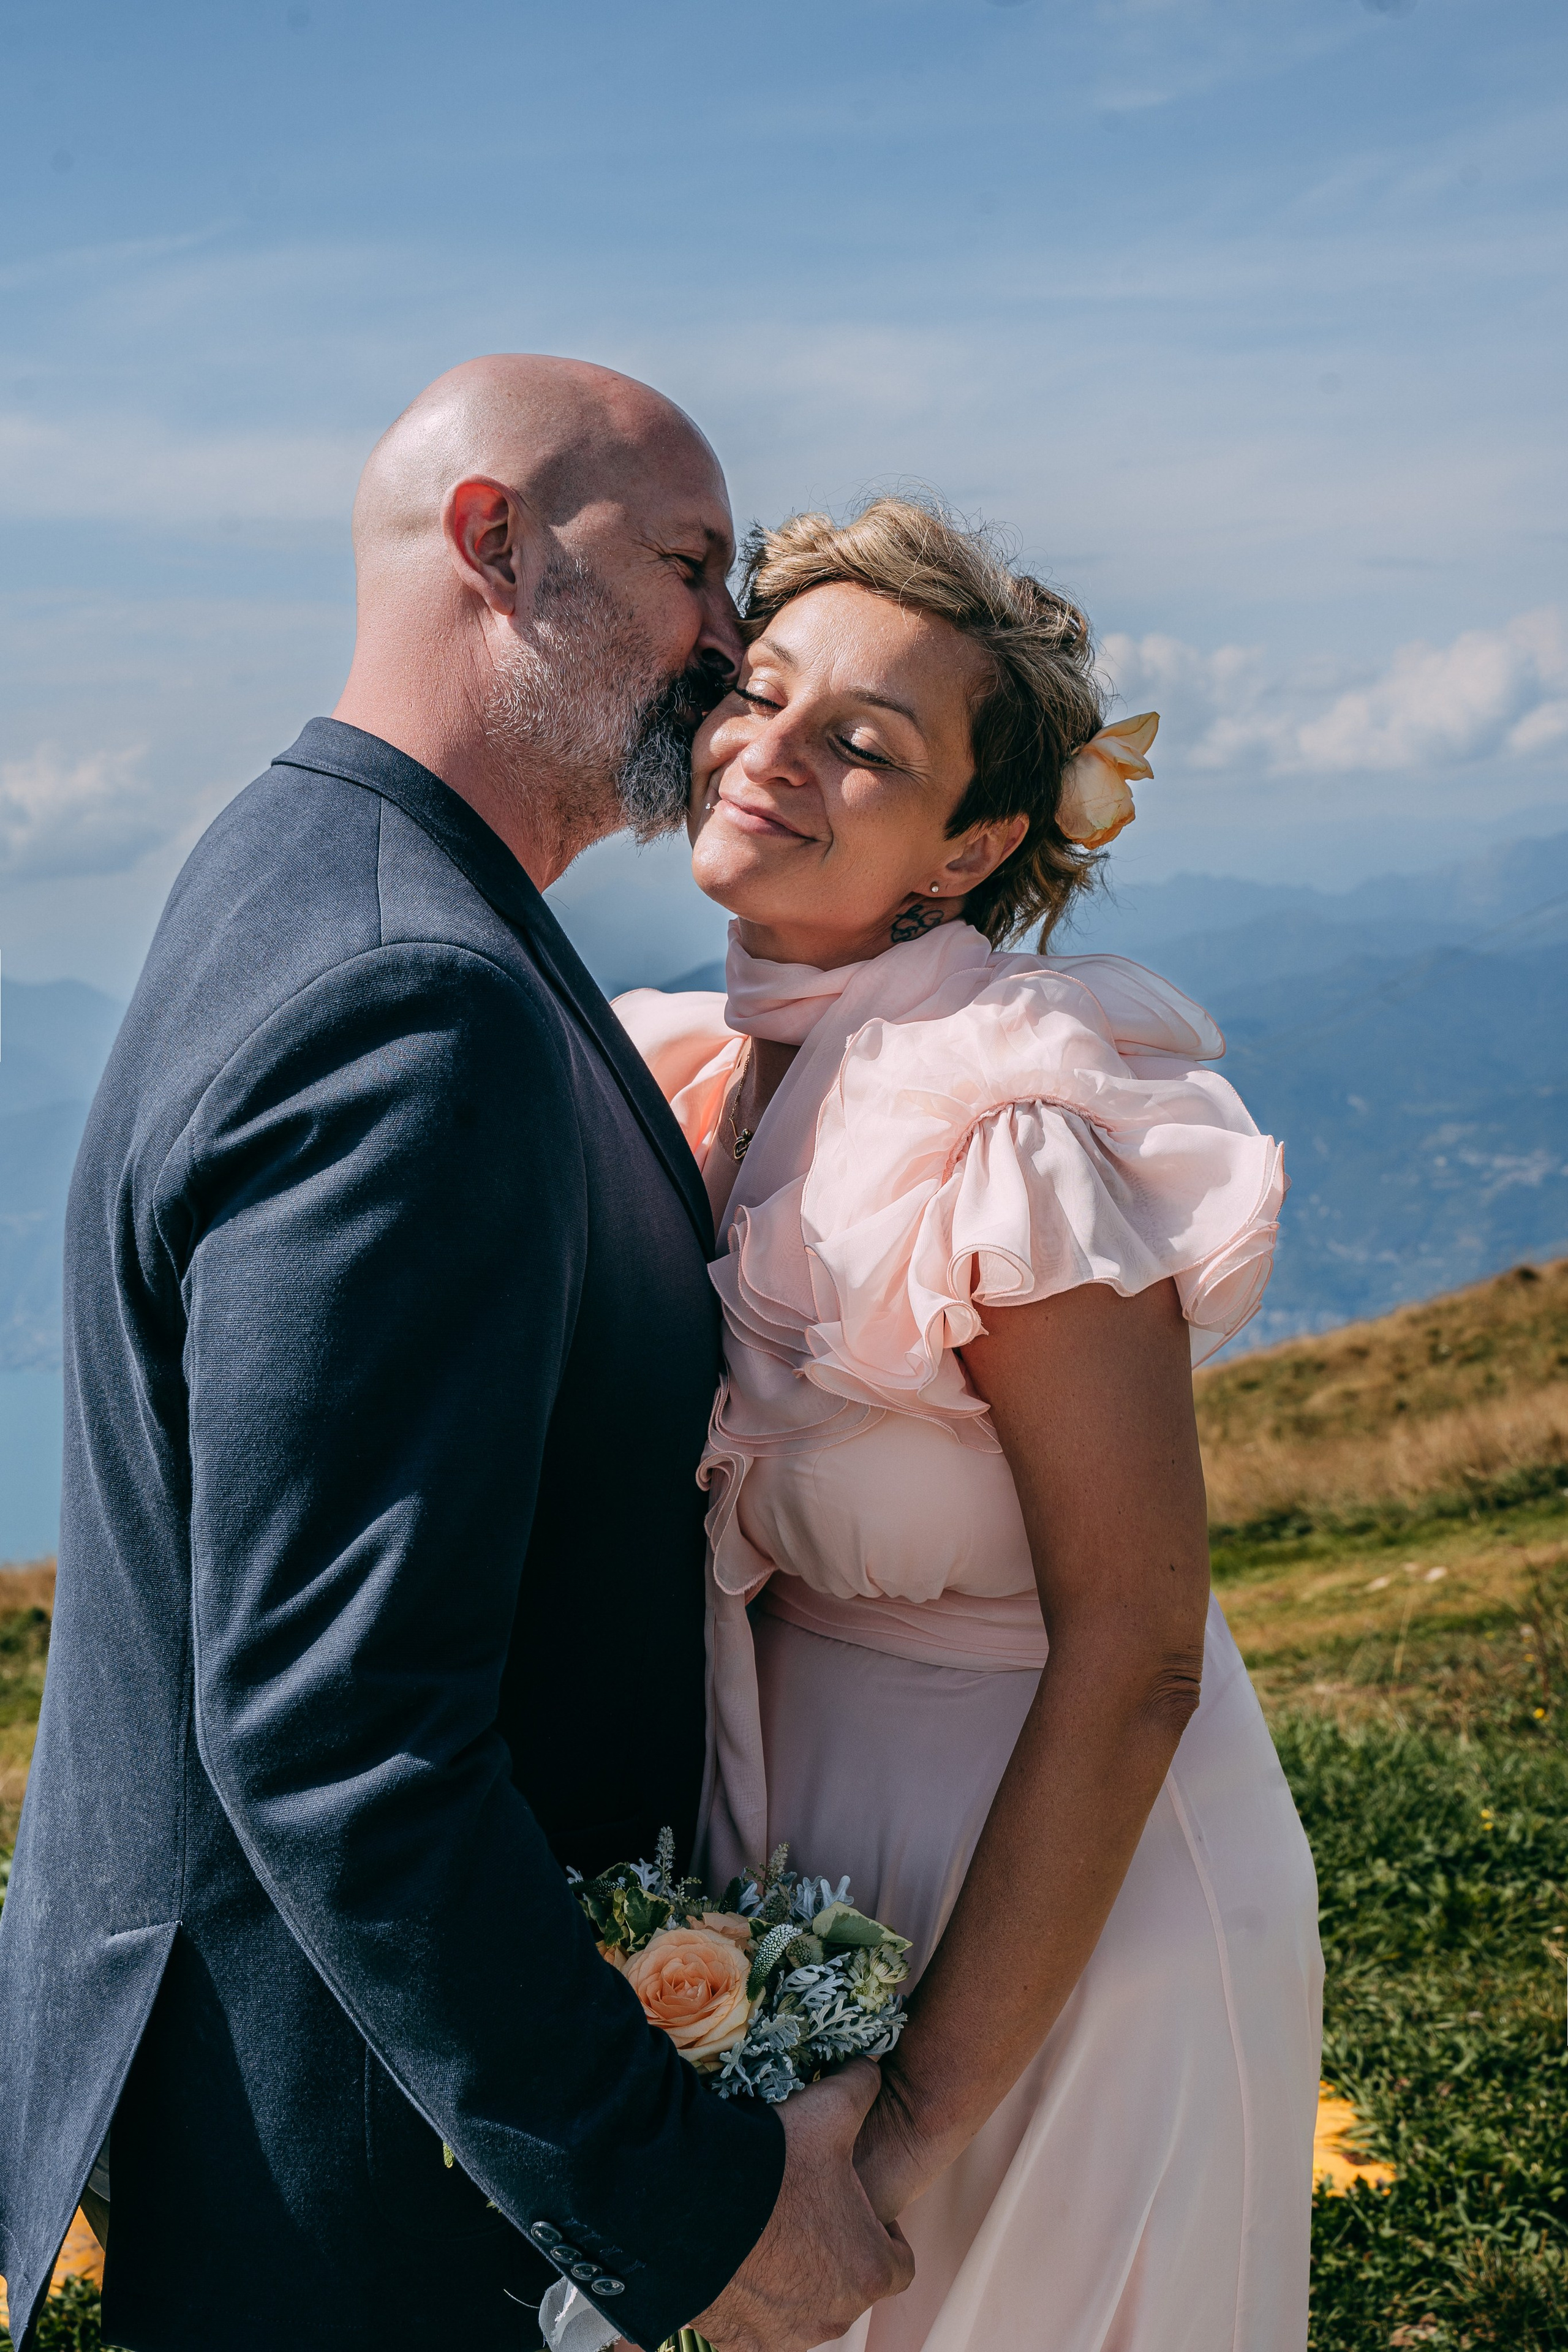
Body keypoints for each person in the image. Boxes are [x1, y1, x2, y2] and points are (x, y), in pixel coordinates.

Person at [0, 358, 912, 2352]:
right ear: (497, 544)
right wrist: (682, 2206)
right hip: (370, 2185)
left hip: (307, 2111)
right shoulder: (415, 993)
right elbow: (341, 1732)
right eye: (691, 566)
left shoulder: (304, 861)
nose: (731, 640)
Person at [616, 496, 1324, 2352]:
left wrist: (913, 2126)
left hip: (1070, 1913)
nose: (770, 752)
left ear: (975, 846)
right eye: (758, 694)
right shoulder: (703, 1074)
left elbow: (1142, 1647)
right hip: (817, 1867)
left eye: (863, 744)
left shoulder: (1007, 1127)